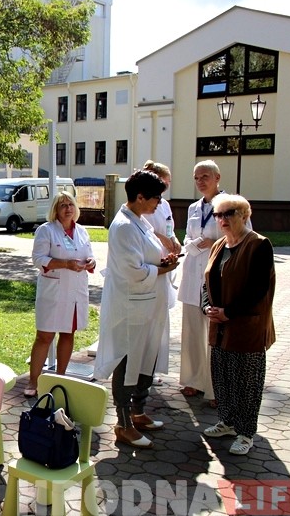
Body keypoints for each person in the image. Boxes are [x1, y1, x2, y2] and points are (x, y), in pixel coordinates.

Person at [94, 170, 180, 449]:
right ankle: (123, 424)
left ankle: (137, 412)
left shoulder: (139, 221)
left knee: (146, 358)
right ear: (140, 197)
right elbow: (133, 270)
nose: (158, 204)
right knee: (127, 361)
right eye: (156, 198)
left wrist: (162, 260)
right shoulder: (123, 227)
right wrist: (163, 267)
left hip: (149, 304)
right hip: (131, 308)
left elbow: (147, 256)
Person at [201, 194, 275, 455]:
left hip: (246, 325)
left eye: (228, 213)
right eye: (218, 215)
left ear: (244, 214)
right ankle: (227, 421)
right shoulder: (219, 245)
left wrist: (228, 312)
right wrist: (207, 307)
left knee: (247, 382)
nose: (222, 219)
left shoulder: (259, 245)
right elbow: (206, 282)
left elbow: (258, 288)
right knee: (222, 377)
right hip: (220, 326)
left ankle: (245, 433)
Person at [25, 191, 95, 397]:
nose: (68, 209)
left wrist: (91, 262)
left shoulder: (82, 231)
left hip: (74, 290)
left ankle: (59, 377)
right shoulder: (46, 231)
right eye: (63, 205)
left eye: (71, 204)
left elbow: (88, 255)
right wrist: (65, 264)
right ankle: (33, 381)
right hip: (53, 291)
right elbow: (38, 259)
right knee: (44, 336)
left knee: (68, 333)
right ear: (55, 210)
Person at [178, 160, 227, 407]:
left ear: (217, 177)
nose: (200, 181)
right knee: (192, 331)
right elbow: (187, 236)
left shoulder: (230, 204)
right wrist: (195, 243)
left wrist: (213, 242)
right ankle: (193, 380)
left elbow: (242, 236)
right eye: (196, 177)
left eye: (205, 176)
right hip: (192, 272)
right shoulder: (194, 207)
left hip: (216, 275)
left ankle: (216, 387)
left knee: (215, 334)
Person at [141, 160, 181, 386]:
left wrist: (173, 240)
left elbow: (168, 227)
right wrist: (164, 238)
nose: (164, 190)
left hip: (164, 265)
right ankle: (142, 370)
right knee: (147, 319)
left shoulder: (163, 205)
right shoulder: (144, 203)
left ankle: (153, 368)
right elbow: (145, 230)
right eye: (162, 184)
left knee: (160, 321)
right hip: (149, 266)